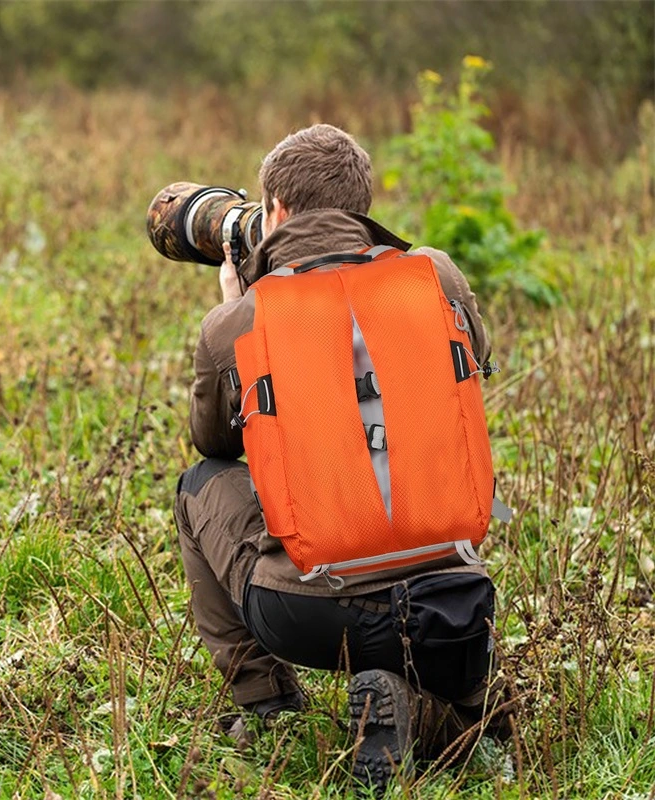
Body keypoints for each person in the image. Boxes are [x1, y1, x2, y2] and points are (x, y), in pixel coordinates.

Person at [173, 124, 511, 791]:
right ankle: (461, 702)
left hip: (309, 615)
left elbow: (215, 444)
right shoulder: (435, 274)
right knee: (411, 538)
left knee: (199, 486)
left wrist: (237, 310)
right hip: (454, 599)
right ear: (362, 206)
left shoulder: (239, 321)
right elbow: (478, 359)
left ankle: (268, 707)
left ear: (273, 211)